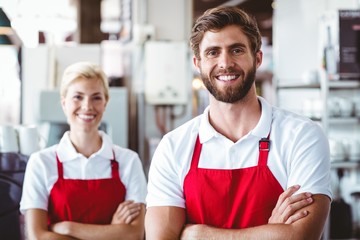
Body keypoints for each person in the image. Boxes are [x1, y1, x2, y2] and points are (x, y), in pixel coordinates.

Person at [145, 6, 332, 240]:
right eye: (213, 52)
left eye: (236, 50)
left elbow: (300, 236)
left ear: (258, 58)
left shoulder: (302, 136)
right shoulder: (173, 147)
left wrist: (200, 235)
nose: (225, 63)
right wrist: (272, 232)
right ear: (197, 63)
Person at [20, 61, 147, 240]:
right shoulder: (41, 162)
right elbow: (37, 236)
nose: (87, 106)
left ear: (105, 103)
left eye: (96, 97)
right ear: (64, 103)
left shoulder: (128, 161)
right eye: (78, 97)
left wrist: (67, 228)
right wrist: (112, 231)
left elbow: (134, 234)